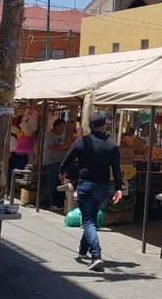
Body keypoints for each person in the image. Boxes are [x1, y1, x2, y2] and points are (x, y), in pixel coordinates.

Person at [59, 114, 123, 272]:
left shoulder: (82, 141)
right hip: (102, 187)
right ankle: (82, 250)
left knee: (88, 220)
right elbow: (116, 169)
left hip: (86, 185)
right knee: (91, 217)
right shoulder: (112, 145)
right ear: (104, 125)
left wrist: (62, 172)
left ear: (90, 125)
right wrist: (119, 188)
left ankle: (96, 255)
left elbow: (68, 159)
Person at [42, 119, 67, 211]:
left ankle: (59, 203)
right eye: (63, 126)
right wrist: (63, 147)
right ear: (57, 126)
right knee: (53, 183)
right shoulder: (49, 135)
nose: (64, 129)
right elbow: (50, 147)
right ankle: (53, 203)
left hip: (60, 161)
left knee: (60, 182)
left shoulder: (61, 135)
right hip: (51, 162)